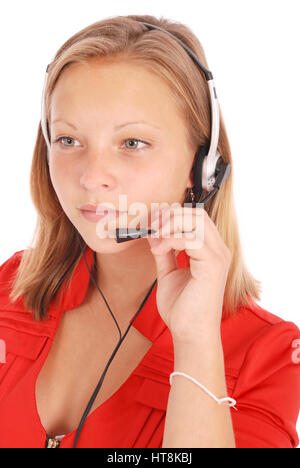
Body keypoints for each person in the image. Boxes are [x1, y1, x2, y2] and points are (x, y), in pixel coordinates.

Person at [0, 14, 299, 449]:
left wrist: (196, 342)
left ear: (203, 167)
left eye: (132, 143)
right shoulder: (10, 288)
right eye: (68, 140)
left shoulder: (269, 356)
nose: (91, 175)